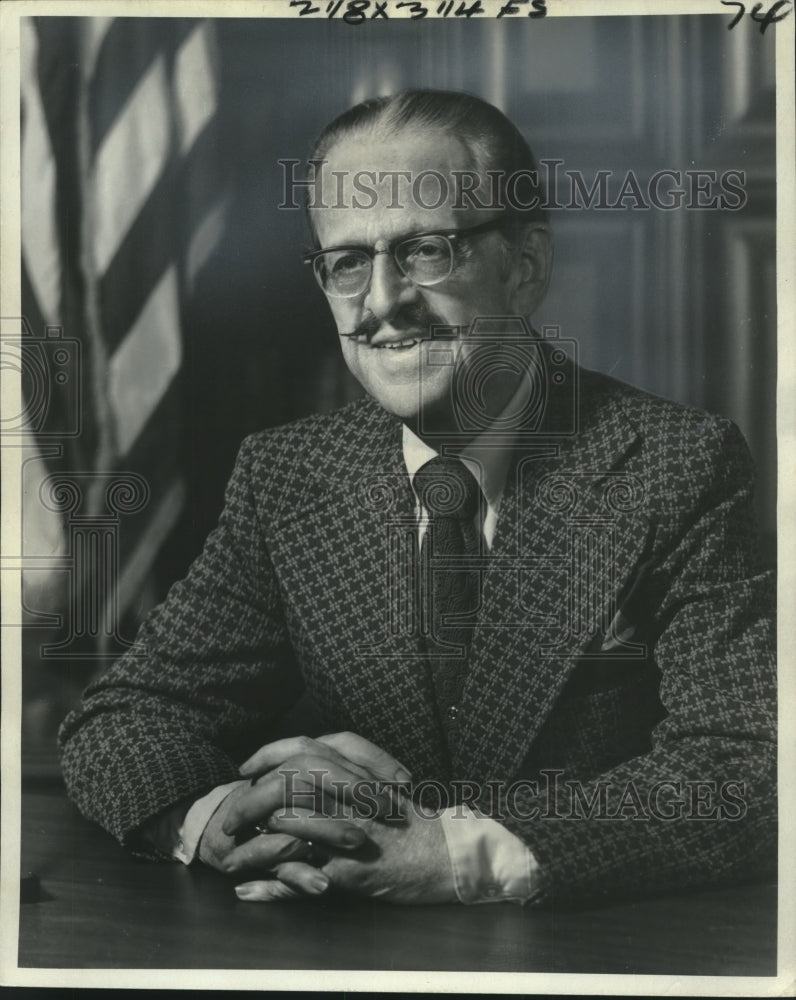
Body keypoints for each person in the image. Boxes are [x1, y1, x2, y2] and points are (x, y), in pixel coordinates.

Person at [59, 89, 776, 907]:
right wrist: (221, 815)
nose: (381, 303)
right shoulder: (287, 476)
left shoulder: (679, 464)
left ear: (527, 266)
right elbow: (125, 716)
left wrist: (453, 852)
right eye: (347, 263)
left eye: (427, 251)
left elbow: (748, 767)